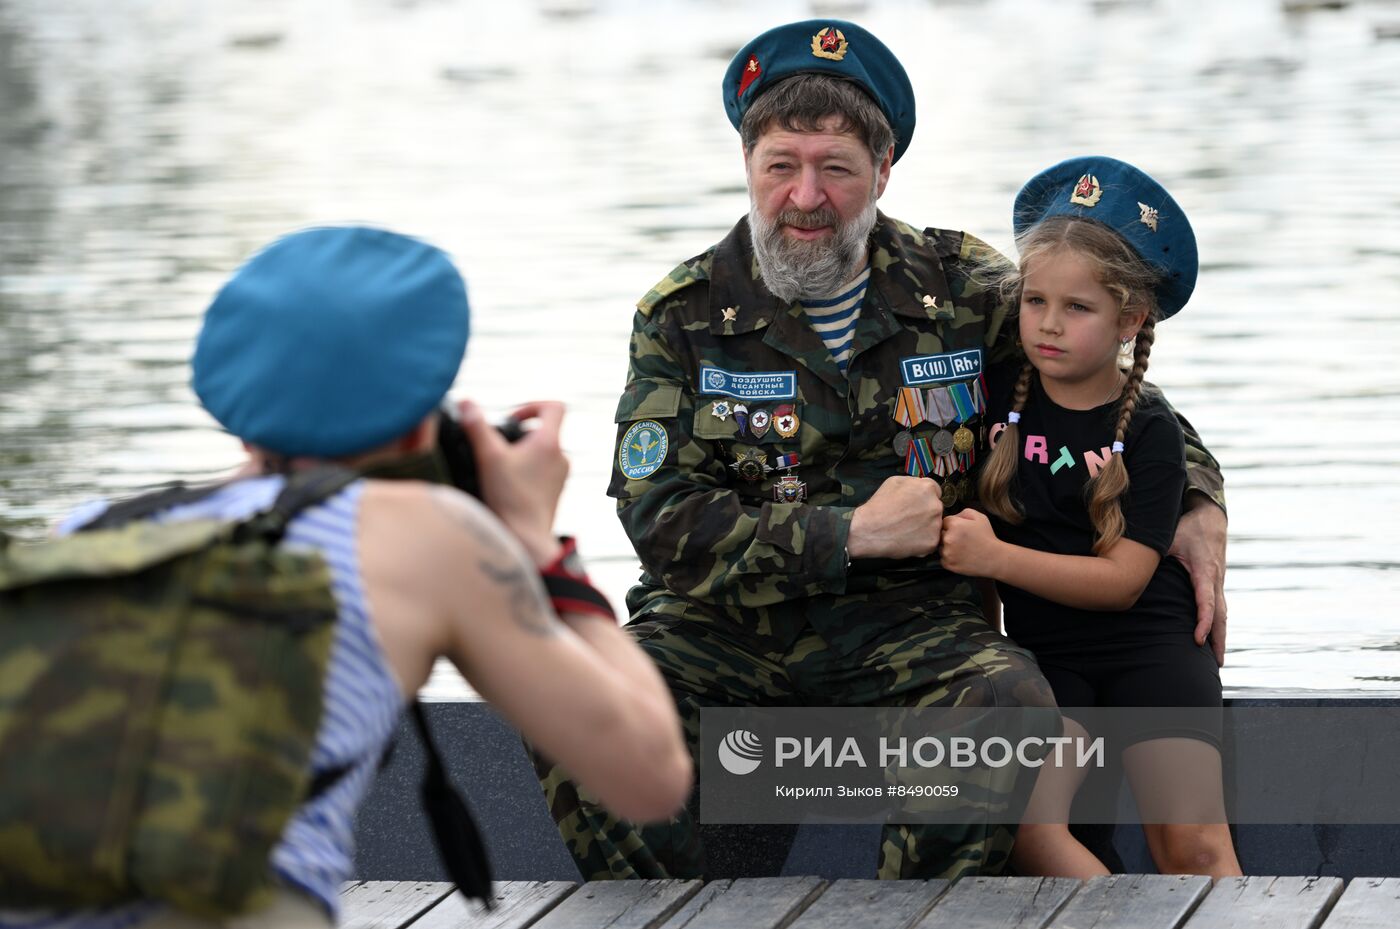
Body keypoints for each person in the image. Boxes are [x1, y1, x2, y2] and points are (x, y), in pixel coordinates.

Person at [535, 19, 1228, 881]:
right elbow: (659, 516)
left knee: (1005, 700)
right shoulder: (680, 312)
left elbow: (1102, 385)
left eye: (836, 168)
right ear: (749, 167)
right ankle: (676, 907)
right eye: (781, 165)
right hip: (718, 630)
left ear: (883, 171)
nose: (805, 195)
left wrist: (1197, 499)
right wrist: (849, 535)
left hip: (910, 631)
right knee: (574, 698)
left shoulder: (961, 288)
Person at [17, 226, 691, 927]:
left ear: (241, 415)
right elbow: (649, 777)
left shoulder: (94, 527)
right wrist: (537, 540)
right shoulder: (432, 535)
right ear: (418, 426)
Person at [940, 156, 1242, 879]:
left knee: (1193, 845)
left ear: (1130, 319)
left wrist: (996, 560)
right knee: (1033, 835)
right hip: (1049, 664)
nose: (1048, 325)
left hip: (1155, 650)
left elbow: (1123, 583)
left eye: (1077, 309)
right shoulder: (993, 407)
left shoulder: (1152, 431)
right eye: (1034, 301)